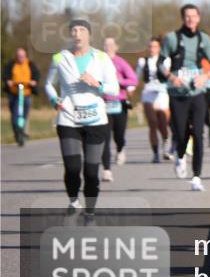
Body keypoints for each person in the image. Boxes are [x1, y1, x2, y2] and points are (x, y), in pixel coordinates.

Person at [44, 19, 119, 222]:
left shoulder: (101, 58)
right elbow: (48, 84)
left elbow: (115, 88)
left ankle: (90, 212)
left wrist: (97, 84)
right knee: (73, 167)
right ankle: (73, 200)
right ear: (70, 34)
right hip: (68, 119)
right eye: (74, 30)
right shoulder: (60, 58)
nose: (77, 33)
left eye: (82, 30)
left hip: (96, 120)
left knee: (92, 172)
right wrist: (54, 99)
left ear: (89, 35)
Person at [161, 4, 210, 191]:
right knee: (180, 132)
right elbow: (161, 62)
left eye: (194, 16)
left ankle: (196, 177)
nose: (191, 19)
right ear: (182, 18)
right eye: (187, 16)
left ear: (199, 18)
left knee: (198, 134)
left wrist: (205, 76)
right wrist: (171, 77)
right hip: (177, 94)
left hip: (197, 93)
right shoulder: (172, 38)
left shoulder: (204, 39)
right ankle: (180, 156)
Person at [100, 37, 138, 178]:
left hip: (119, 103)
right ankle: (107, 170)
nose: (109, 46)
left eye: (111, 44)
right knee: (104, 136)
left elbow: (133, 79)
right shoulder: (98, 62)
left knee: (119, 134)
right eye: (106, 44)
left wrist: (120, 82)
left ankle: (120, 148)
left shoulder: (120, 62)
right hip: (103, 103)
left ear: (116, 47)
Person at [136, 37, 171, 162]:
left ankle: (166, 143)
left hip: (162, 93)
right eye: (150, 47)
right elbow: (136, 78)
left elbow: (167, 75)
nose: (152, 49)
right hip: (148, 93)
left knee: (163, 123)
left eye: (155, 47)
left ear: (159, 48)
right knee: (152, 123)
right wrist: (129, 89)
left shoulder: (165, 60)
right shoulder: (142, 61)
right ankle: (155, 153)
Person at [4, 47, 40, 147]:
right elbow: (6, 74)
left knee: (24, 112)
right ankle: (17, 131)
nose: (21, 58)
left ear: (25, 56)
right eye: (19, 56)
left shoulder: (30, 64)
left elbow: (36, 74)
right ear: (16, 56)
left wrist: (34, 81)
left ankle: (22, 130)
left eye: (22, 56)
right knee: (14, 113)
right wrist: (8, 81)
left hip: (26, 92)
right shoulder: (12, 64)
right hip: (14, 92)